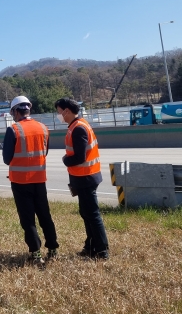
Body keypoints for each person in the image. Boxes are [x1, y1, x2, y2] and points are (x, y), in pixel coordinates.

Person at [1, 95, 59, 266]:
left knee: (28, 219)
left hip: (20, 181)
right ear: (28, 109)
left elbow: (7, 159)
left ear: (15, 111)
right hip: (39, 179)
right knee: (45, 215)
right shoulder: (43, 128)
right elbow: (45, 152)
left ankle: (35, 253)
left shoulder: (14, 129)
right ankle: (53, 248)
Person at [55, 97, 109, 260]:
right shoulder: (77, 125)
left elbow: (80, 157)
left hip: (86, 177)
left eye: (59, 112)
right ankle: (91, 246)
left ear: (67, 111)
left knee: (92, 214)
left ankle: (101, 250)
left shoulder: (78, 128)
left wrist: (65, 160)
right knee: (86, 213)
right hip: (83, 177)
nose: (59, 116)